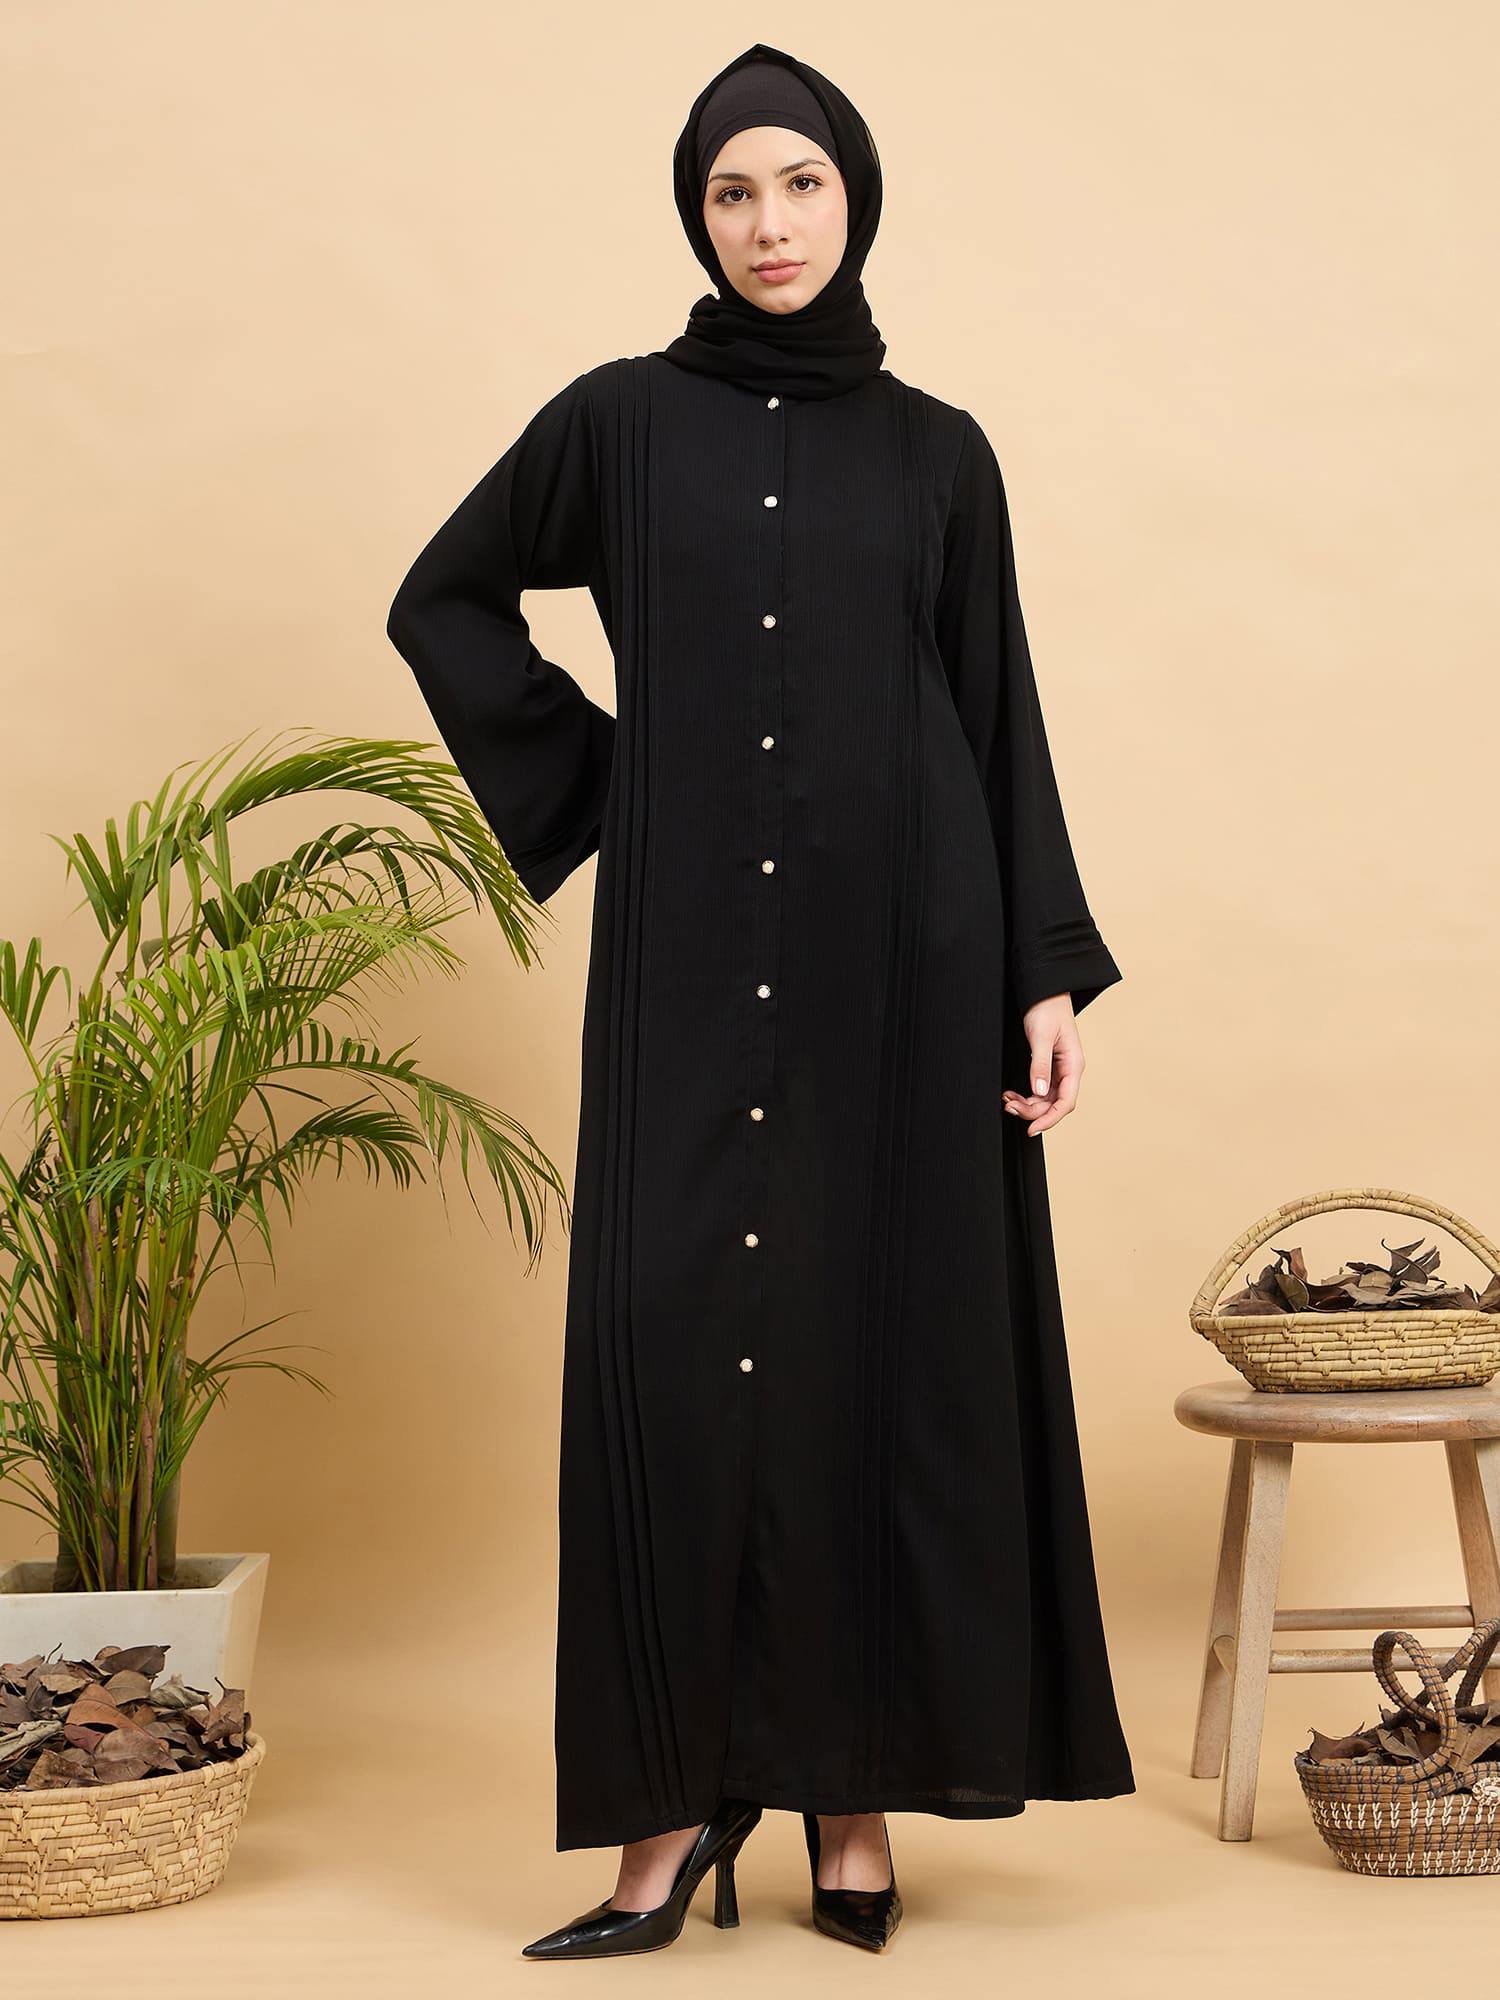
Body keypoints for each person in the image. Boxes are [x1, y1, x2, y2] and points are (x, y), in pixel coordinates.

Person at [385, 42, 1135, 1961]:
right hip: (691, 947)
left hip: (911, 949)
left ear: (855, 200)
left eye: (802, 184)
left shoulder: (939, 451)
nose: (770, 222)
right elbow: (444, 598)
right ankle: (660, 1825)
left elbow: (995, 709)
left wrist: (1042, 970)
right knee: (667, 1345)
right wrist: (605, 783)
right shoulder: (620, 424)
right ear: (695, 216)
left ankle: (850, 1811)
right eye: (734, 191)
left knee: (876, 1348)